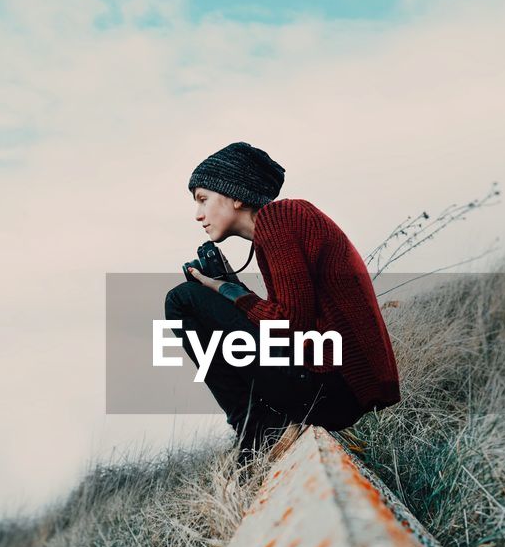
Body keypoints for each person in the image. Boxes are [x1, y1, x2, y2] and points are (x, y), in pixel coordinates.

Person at [164, 141, 401, 465]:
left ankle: (255, 428)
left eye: (203, 199)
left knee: (182, 300)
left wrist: (226, 291)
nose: (198, 215)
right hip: (340, 390)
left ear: (235, 195)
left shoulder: (280, 218)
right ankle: (258, 425)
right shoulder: (280, 227)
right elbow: (293, 319)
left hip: (332, 386)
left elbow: (288, 325)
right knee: (195, 298)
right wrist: (232, 287)